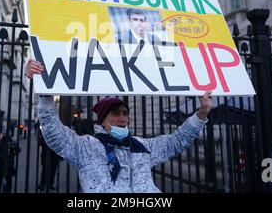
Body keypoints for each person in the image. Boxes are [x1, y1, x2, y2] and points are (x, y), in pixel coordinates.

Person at [25, 59, 212, 193]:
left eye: (125, 113)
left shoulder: (141, 146)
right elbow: (54, 134)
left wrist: (201, 113)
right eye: (115, 113)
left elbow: (176, 141)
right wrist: (45, 93)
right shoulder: (87, 147)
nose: (122, 118)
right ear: (103, 120)